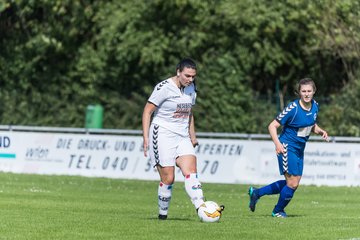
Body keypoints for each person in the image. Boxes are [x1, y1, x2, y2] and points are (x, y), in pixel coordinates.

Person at [142, 58, 220, 220]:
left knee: (191, 171)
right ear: (178, 72)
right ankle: (162, 215)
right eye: (187, 76)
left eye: (193, 76)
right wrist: (146, 137)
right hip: (162, 133)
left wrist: (193, 136)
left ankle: (202, 208)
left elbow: (189, 113)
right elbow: (147, 111)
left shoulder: (192, 88)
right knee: (168, 178)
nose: (190, 79)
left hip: (182, 136)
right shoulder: (164, 88)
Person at [248, 78, 329, 218]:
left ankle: (257, 193)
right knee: (292, 183)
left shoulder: (315, 105)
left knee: (291, 182)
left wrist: (320, 131)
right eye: (303, 91)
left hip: (299, 150)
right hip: (286, 147)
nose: (306, 94)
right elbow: (272, 126)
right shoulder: (293, 108)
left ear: (314, 91)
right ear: (299, 92)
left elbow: (310, 124)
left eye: (309, 91)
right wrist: (278, 144)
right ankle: (277, 211)